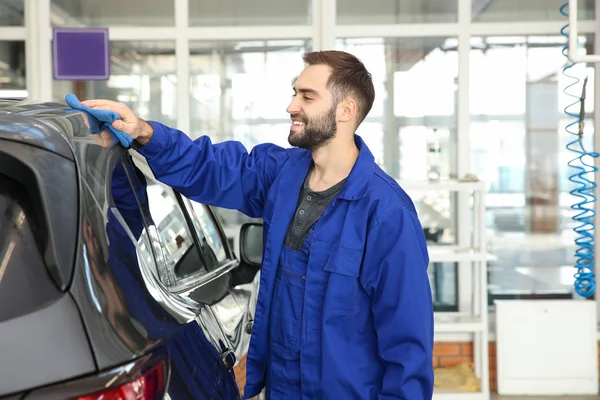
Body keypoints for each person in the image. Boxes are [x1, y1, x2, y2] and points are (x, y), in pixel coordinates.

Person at [81, 50, 434, 400]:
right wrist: (144, 132)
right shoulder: (281, 174)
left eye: (307, 96)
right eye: (295, 93)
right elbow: (210, 166)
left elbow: (408, 348)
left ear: (346, 110)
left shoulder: (387, 214)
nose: (292, 106)